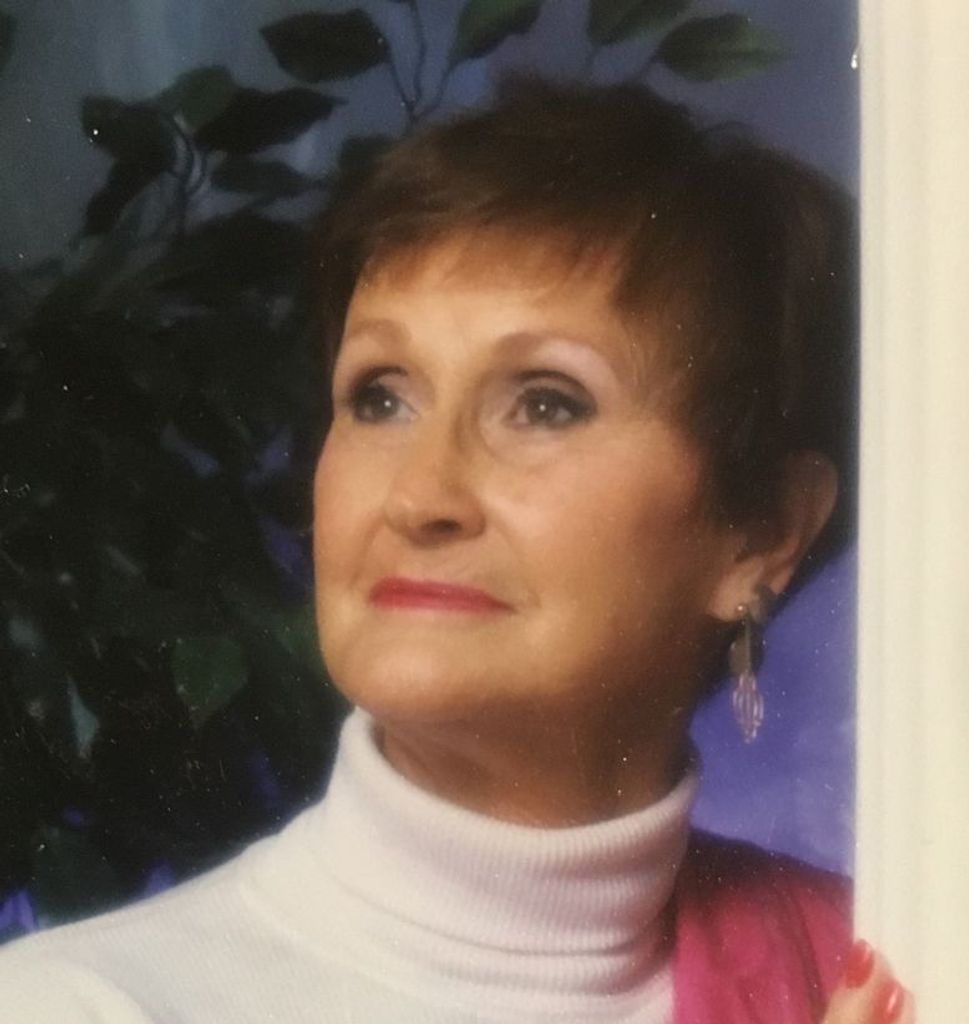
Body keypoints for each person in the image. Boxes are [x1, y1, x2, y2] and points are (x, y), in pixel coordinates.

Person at [0, 79, 911, 1023]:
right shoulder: (81, 1006)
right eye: (380, 397)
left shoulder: (915, 964)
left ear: (762, 531)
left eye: (546, 403)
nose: (419, 495)